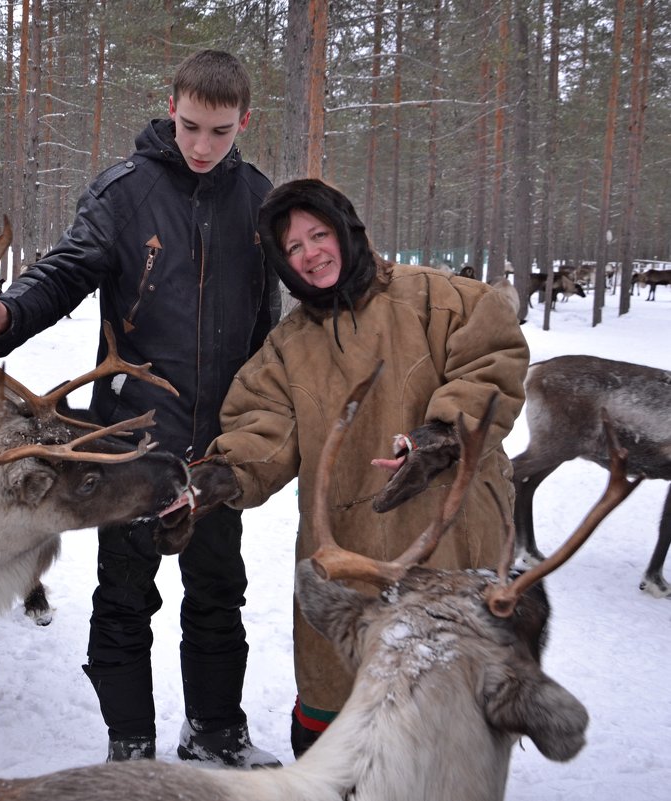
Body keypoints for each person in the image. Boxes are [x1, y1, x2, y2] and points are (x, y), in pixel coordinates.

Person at [0, 50, 280, 767]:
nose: (200, 145)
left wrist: (259, 421)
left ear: (242, 123)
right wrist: (6, 315)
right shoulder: (125, 190)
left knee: (218, 593)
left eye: (218, 132)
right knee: (125, 596)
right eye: (189, 125)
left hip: (220, 448)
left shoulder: (258, 198)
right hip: (132, 440)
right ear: (170, 106)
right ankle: (129, 742)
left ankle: (214, 730)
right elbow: (67, 269)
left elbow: (268, 324)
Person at [189, 178, 530, 757]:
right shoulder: (287, 346)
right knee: (339, 718)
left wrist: (442, 436)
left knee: (449, 719)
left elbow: (492, 363)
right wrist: (218, 478)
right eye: (293, 248)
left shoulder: (446, 299)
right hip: (346, 560)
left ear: (346, 229)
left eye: (318, 235)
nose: (310, 254)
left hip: (450, 546)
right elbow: (260, 429)